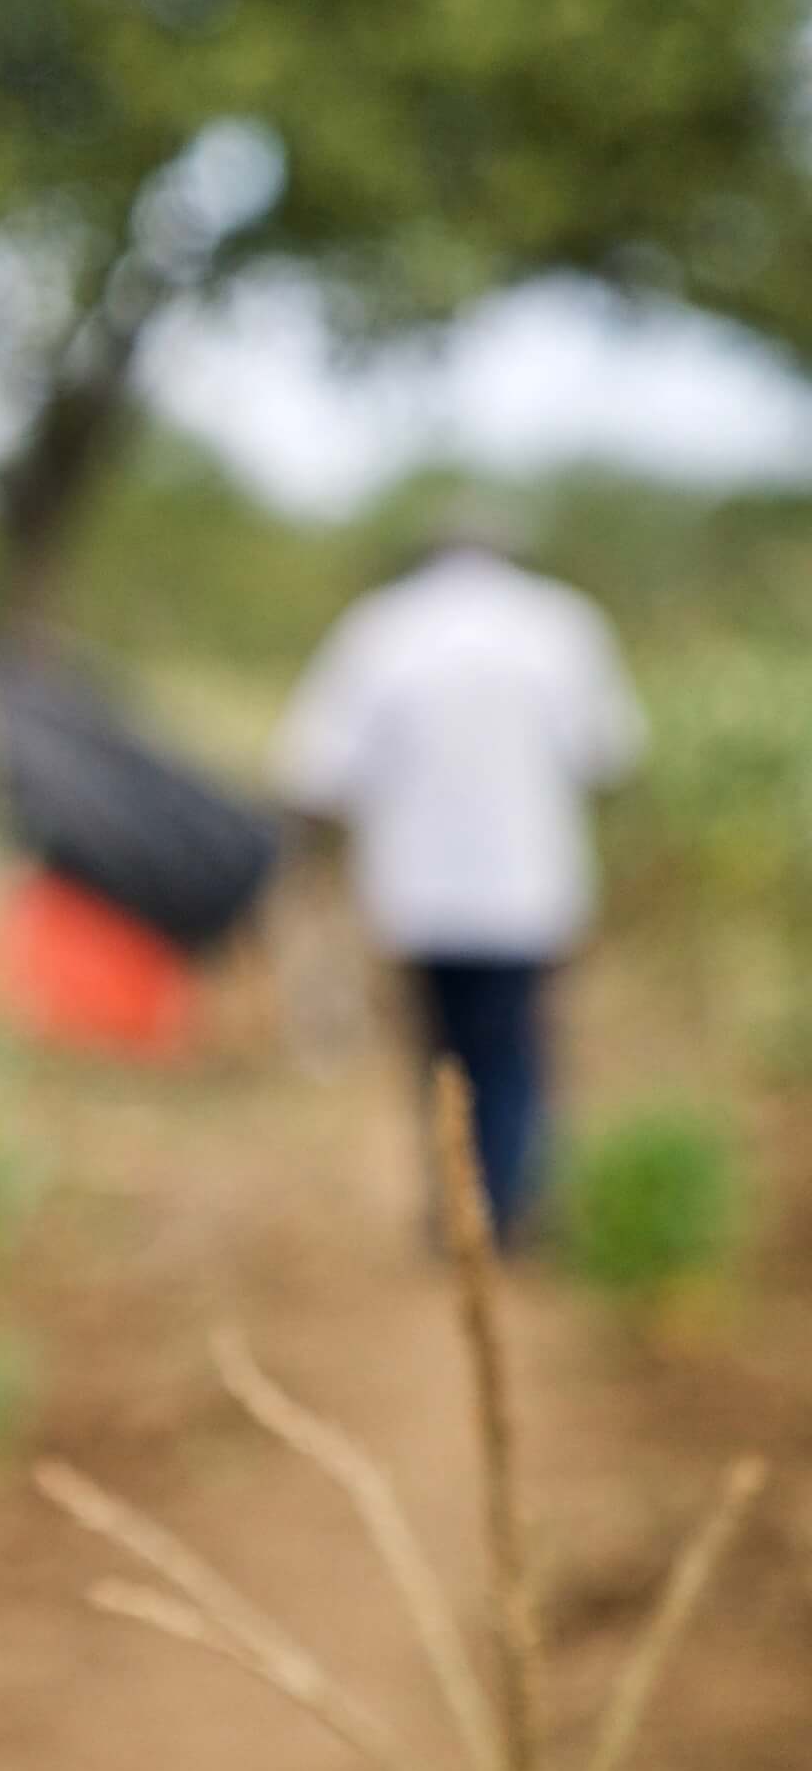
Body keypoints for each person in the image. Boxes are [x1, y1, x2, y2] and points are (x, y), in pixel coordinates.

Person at [273, 532, 646, 1247]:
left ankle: (462, 1210)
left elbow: (317, 766)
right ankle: (504, 1209)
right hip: (528, 891)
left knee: (442, 1053)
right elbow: (608, 755)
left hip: (417, 894)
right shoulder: (561, 626)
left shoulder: (382, 627)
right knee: (511, 1049)